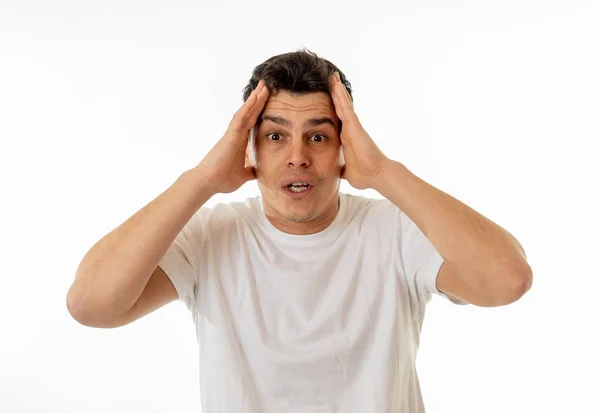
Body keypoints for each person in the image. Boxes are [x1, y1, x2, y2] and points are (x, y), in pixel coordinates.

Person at [66, 49, 533, 412]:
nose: (297, 156)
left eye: (318, 135)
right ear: (248, 149)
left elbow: (507, 279)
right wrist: (202, 180)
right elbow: (91, 304)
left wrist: (385, 173)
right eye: (275, 135)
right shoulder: (210, 236)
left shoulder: (397, 232)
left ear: (344, 147)